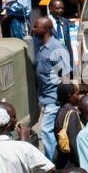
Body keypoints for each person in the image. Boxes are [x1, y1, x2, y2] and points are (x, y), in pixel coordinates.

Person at [32, 16, 72, 160]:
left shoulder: (56, 47)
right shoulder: (43, 47)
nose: (33, 29)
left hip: (54, 98)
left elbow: (65, 75)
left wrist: (65, 98)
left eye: (36, 26)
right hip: (46, 98)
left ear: (45, 29)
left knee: (46, 131)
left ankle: (53, 164)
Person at [52, 81, 84, 173]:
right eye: (77, 94)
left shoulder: (61, 111)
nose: (78, 97)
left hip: (61, 162)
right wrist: (81, 163)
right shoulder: (72, 113)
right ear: (70, 96)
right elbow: (74, 143)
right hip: (70, 165)